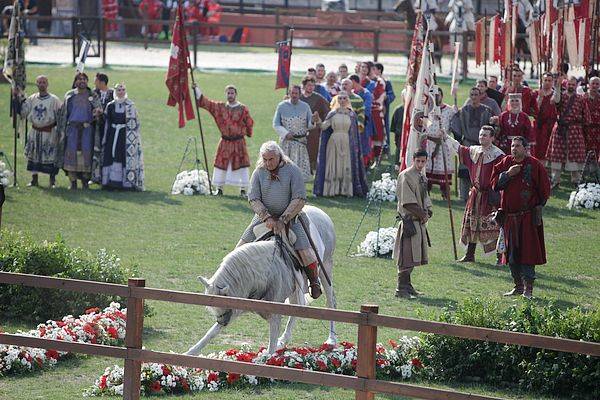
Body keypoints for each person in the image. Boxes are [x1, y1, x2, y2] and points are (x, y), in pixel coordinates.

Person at [240, 141, 322, 299]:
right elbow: (253, 198)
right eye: (265, 159)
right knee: (239, 249)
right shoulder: (258, 172)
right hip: (264, 219)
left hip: (292, 218)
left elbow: (299, 198)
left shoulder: (292, 170)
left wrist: (284, 219)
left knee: (305, 251)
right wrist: (266, 217)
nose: (268, 163)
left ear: (279, 156)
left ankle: (314, 281)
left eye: (271, 159)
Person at [491, 136, 551, 299]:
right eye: (512, 146)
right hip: (510, 218)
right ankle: (517, 286)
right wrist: (508, 174)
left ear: (525, 148)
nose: (514, 149)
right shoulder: (505, 163)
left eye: (517, 146)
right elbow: (495, 184)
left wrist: (535, 209)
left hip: (527, 218)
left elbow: (545, 190)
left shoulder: (535, 165)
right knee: (511, 255)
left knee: (528, 254)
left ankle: (528, 290)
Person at [443, 126, 504, 263]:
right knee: (472, 223)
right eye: (481, 135)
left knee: (494, 226)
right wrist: (446, 137)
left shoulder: (498, 155)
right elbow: (459, 148)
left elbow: (504, 175)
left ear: (492, 138)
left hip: (490, 196)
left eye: (485, 135)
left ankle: (500, 257)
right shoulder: (474, 150)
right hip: (475, 195)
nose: (482, 137)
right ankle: (470, 255)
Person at [193, 84, 254, 196]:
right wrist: (196, 90)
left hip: (238, 142)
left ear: (236, 94)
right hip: (225, 142)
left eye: (232, 93)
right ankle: (219, 188)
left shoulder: (243, 109)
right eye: (228, 93)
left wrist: (247, 132)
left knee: (242, 166)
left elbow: (249, 122)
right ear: (225, 94)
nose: (230, 95)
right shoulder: (220, 107)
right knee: (221, 165)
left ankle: (243, 190)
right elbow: (206, 103)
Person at [393, 149, 432, 299]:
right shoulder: (406, 175)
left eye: (423, 161)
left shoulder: (421, 176)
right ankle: (400, 288)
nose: (420, 164)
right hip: (410, 222)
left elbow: (425, 197)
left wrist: (428, 211)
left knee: (414, 256)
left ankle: (407, 286)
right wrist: (422, 214)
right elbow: (407, 202)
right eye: (418, 161)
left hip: (418, 222)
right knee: (407, 256)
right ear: (413, 160)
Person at [314, 91, 368, 197]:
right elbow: (324, 127)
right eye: (340, 98)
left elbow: (354, 133)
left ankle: (345, 190)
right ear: (337, 100)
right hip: (333, 141)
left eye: (344, 98)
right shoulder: (332, 113)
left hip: (347, 142)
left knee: (345, 165)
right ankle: (331, 190)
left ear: (347, 100)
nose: (342, 100)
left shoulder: (352, 115)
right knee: (333, 165)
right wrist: (318, 121)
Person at [16, 75, 63, 188]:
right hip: (35, 132)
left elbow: (61, 115)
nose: (42, 84)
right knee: (34, 155)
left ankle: (52, 180)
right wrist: (18, 101)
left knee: (50, 155)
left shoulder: (54, 99)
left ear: (47, 84)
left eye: (44, 82)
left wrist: (59, 131)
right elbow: (24, 112)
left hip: (49, 132)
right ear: (37, 84)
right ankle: (34, 180)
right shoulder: (32, 98)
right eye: (39, 82)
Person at [450, 87, 495, 201]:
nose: (474, 97)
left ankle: (479, 197)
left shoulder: (487, 110)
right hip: (468, 144)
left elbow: (493, 127)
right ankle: (463, 197)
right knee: (465, 170)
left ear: (480, 96)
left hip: (482, 146)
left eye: (476, 95)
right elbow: (455, 125)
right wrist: (459, 138)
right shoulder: (464, 110)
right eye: (472, 95)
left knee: (481, 172)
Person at [59, 73, 102, 190]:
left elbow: (99, 110)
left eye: (84, 79)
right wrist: (63, 131)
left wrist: (97, 113)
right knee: (71, 155)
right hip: (72, 130)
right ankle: (72, 182)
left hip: (87, 130)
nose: (82, 81)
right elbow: (63, 114)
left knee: (86, 156)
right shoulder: (69, 95)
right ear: (75, 82)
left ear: (87, 81)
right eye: (79, 79)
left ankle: (85, 182)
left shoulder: (92, 95)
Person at [101, 83, 144, 191]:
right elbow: (107, 122)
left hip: (125, 136)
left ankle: (127, 183)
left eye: (123, 89)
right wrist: (106, 137)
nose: (121, 92)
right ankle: (111, 182)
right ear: (115, 91)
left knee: (124, 157)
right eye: (119, 90)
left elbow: (136, 122)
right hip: (113, 134)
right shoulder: (110, 105)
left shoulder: (130, 105)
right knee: (112, 156)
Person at [546, 76, 587, 187]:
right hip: (560, 128)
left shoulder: (581, 98)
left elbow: (586, 115)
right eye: (569, 84)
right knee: (557, 154)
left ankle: (576, 180)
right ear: (566, 84)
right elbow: (554, 101)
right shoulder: (561, 96)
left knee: (575, 154)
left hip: (575, 129)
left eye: (573, 84)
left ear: (576, 85)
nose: (571, 86)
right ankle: (555, 180)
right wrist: (558, 86)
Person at [273, 85, 315, 182]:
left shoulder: (305, 106)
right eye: (292, 93)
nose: (294, 95)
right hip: (287, 143)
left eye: (296, 93)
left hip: (300, 143)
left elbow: (309, 125)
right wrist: (285, 133)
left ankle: (299, 191)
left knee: (299, 169)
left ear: (300, 94)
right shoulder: (282, 106)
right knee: (285, 168)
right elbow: (276, 124)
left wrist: (313, 121)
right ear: (289, 93)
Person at [424, 88, 457, 197]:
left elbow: (455, 124)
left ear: (442, 96)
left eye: (438, 95)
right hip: (429, 144)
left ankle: (445, 194)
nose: (436, 97)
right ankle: (426, 193)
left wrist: (457, 111)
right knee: (428, 169)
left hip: (443, 144)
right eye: (434, 95)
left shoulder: (449, 110)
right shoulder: (427, 110)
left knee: (443, 169)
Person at [300, 76, 330, 173]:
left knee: (313, 150)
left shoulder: (318, 98)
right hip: (300, 128)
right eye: (309, 85)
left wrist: (320, 120)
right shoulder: (298, 97)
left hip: (314, 130)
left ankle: (311, 170)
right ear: (304, 86)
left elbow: (327, 110)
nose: (311, 87)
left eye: (313, 85)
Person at [91, 73, 114, 184]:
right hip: (95, 127)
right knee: (95, 151)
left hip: (108, 128)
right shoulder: (93, 94)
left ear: (102, 82)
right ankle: (95, 176)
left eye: (95, 81)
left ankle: (106, 176)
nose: (94, 83)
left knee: (107, 151)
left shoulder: (113, 94)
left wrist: (103, 113)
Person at [533, 72, 558, 162]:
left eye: (549, 80)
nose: (547, 82)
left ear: (552, 82)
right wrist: (540, 98)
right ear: (541, 81)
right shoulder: (536, 93)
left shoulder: (555, 95)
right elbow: (534, 111)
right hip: (539, 126)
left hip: (550, 126)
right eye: (545, 80)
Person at [350, 74, 373, 167]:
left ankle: (364, 166)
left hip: (363, 124)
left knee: (363, 145)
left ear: (354, 82)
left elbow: (366, 109)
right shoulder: (351, 93)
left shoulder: (365, 93)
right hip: (351, 125)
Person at [373, 62, 396, 157]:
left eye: (374, 69)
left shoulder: (386, 82)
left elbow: (392, 95)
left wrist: (385, 97)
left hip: (383, 110)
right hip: (373, 109)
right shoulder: (372, 81)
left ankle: (385, 150)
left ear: (379, 70)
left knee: (384, 129)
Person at [584, 76, 600, 164]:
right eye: (593, 83)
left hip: (597, 130)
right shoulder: (583, 98)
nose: (595, 85)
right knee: (585, 150)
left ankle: (595, 172)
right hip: (586, 129)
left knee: (596, 151)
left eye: (597, 84)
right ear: (589, 85)